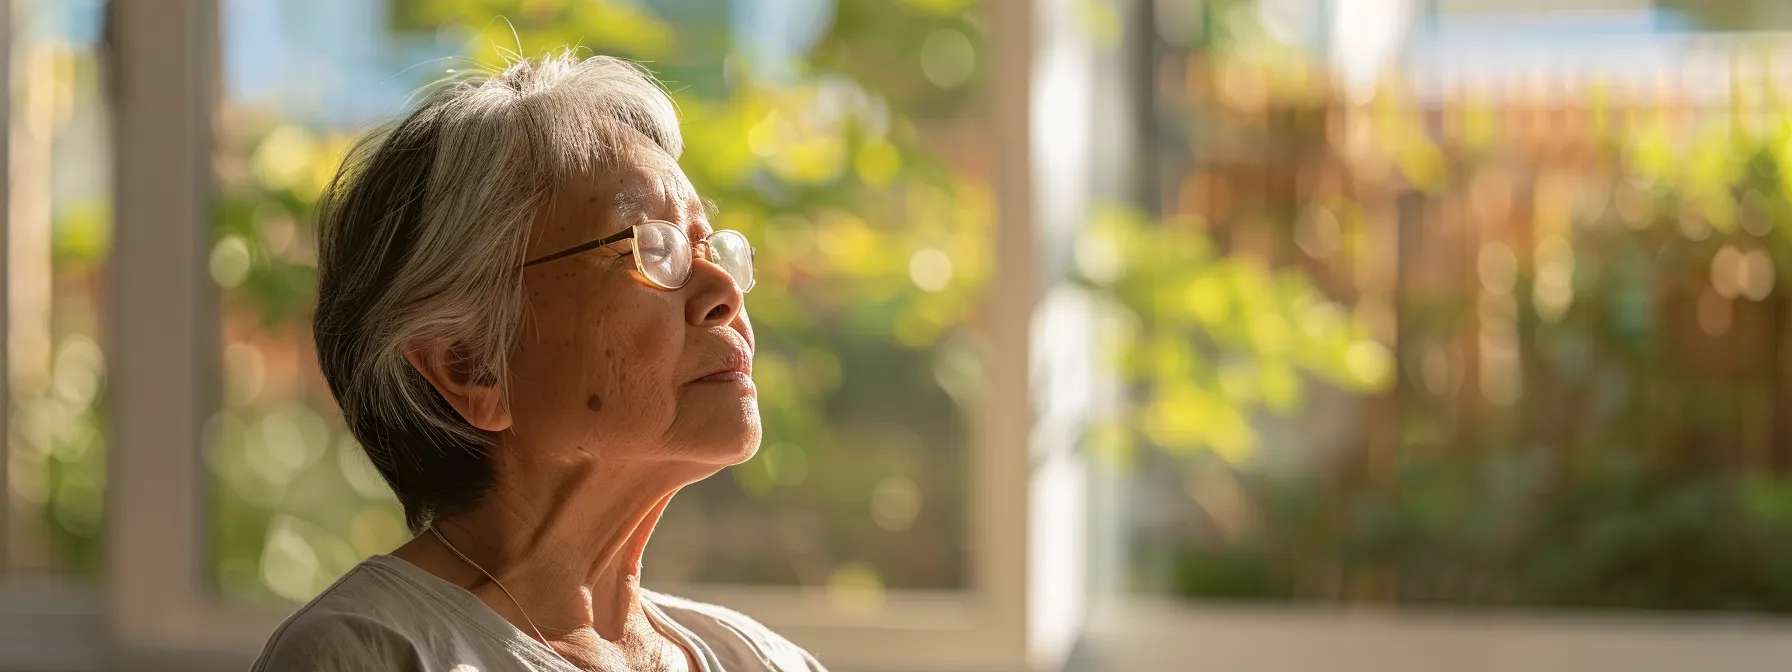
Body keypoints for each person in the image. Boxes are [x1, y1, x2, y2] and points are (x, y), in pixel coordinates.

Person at [251, 51, 824, 671]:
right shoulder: (374, 654)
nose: (724, 293)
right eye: (652, 248)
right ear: (471, 365)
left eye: (709, 247)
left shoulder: (766, 661)